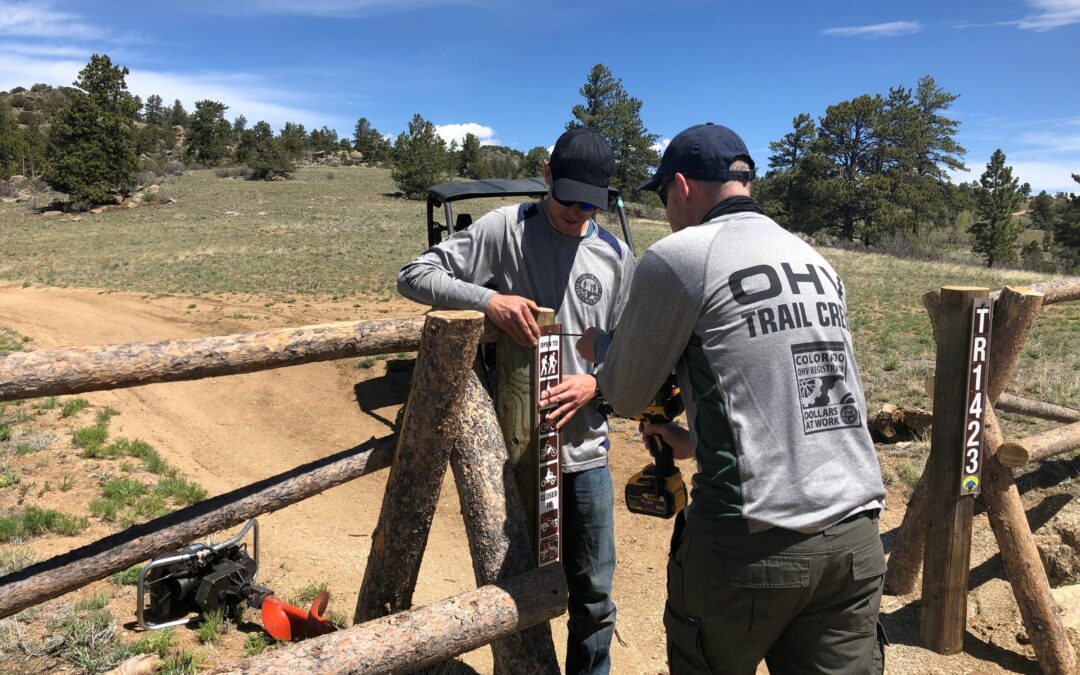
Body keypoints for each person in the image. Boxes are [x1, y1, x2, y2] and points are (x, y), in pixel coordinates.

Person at [577, 122, 887, 674]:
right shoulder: (814, 260)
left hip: (749, 544)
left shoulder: (681, 255)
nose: (668, 213)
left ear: (681, 185)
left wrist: (601, 348)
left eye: (665, 197)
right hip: (855, 537)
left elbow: (624, 393)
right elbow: (792, 393)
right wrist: (698, 441)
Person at [397, 128, 636, 675]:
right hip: (513, 455)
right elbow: (413, 275)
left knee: (594, 599)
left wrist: (597, 384)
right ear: (547, 174)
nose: (575, 211)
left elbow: (631, 348)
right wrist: (489, 301)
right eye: (567, 196)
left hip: (585, 455)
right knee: (511, 591)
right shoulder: (505, 228)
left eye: (589, 203)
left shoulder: (617, 256)